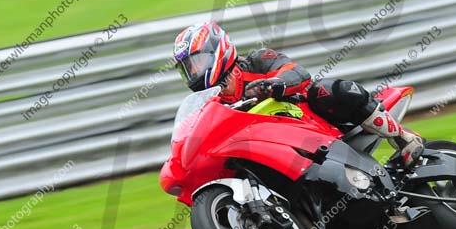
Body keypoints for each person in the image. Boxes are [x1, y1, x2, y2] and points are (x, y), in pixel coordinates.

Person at [174, 22, 424, 166]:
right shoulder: (214, 104)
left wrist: (274, 85)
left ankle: (403, 138)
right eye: (188, 69)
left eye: (197, 62)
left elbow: (298, 72)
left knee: (324, 89)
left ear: (218, 50)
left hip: (313, 123)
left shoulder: (258, 61)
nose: (194, 72)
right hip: (274, 148)